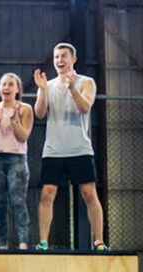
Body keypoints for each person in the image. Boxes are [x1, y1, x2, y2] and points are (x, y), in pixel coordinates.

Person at [33, 42, 109, 250]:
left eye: (64, 56)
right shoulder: (48, 85)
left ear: (73, 59)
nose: (60, 60)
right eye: (56, 57)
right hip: (53, 150)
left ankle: (99, 241)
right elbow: (39, 113)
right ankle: (43, 242)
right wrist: (42, 90)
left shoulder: (87, 82)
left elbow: (85, 107)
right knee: (47, 193)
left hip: (80, 149)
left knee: (89, 194)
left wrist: (71, 88)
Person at [0, 73, 33, 250]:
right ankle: (2, 244)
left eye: (11, 85)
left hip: (16, 159)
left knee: (18, 201)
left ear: (17, 89)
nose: (6, 88)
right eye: (4, 84)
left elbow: (23, 136)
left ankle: (23, 242)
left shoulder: (25, 109)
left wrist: (13, 121)